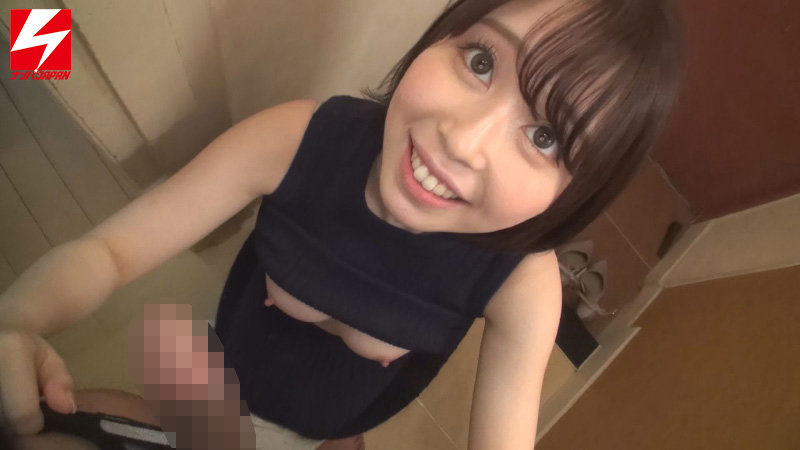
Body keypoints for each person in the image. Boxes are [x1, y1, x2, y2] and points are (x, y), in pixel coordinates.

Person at [0, 0, 683, 448]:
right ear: (441, 33)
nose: (463, 140)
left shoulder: (522, 285)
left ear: (576, 195)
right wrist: (16, 321)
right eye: (481, 62)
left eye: (545, 137)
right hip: (218, 384)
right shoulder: (298, 139)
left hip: (324, 429)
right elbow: (112, 252)